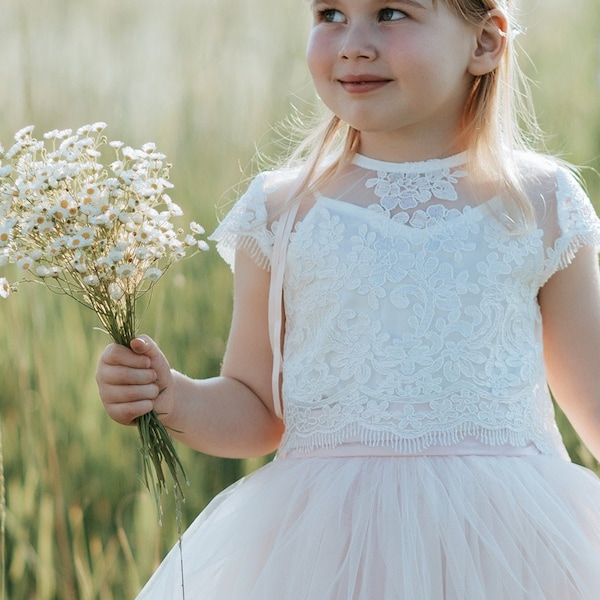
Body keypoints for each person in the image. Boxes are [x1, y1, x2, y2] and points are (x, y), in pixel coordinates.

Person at [95, 0, 600, 598]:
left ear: (485, 43)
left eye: (391, 13)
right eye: (330, 13)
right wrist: (172, 395)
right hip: (326, 549)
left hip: (510, 544)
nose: (353, 43)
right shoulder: (283, 211)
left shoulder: (538, 201)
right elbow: (257, 410)